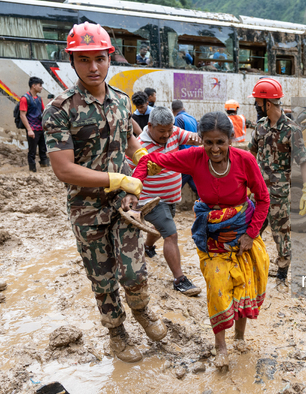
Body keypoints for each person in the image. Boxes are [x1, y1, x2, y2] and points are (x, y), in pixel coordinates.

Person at [42, 22, 167, 363]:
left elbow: (128, 136)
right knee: (102, 277)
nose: (93, 67)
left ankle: (143, 312)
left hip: (125, 203)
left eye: (100, 58)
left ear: (110, 58)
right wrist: (116, 179)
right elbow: (63, 169)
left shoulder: (121, 101)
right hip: (86, 209)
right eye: (84, 60)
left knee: (133, 269)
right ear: (72, 60)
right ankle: (117, 333)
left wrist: (139, 155)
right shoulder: (58, 110)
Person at [133, 111, 270, 370]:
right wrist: (133, 186)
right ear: (201, 141)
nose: (214, 149)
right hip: (212, 237)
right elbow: (152, 160)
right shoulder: (194, 157)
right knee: (218, 288)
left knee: (244, 287)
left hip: (243, 234)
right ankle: (221, 346)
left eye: (220, 142)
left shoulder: (245, 160)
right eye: (208, 142)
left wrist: (251, 235)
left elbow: (263, 198)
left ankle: (239, 336)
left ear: (230, 140)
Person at [128, 106, 201, 296]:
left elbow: (193, 138)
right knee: (171, 234)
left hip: (171, 197)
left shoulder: (174, 132)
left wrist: (207, 139)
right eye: (162, 131)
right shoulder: (139, 146)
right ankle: (179, 280)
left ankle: (148, 246)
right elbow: (131, 175)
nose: (168, 135)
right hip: (151, 200)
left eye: (170, 129)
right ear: (150, 126)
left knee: (161, 230)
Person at [248, 78, 306, 291]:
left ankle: (282, 276)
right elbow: (250, 155)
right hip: (257, 194)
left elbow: (303, 161)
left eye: (258, 102)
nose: (257, 106)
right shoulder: (260, 127)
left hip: (278, 194)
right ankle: (253, 268)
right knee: (251, 230)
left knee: (281, 234)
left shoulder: (291, 130)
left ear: (268, 103)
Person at [20, 76, 49, 172]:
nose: (41, 87)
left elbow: (43, 112)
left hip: (41, 128)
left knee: (43, 150)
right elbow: (22, 115)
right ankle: (32, 171)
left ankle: (44, 169)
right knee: (32, 151)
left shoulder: (39, 99)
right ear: (34, 86)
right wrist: (29, 130)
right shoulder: (25, 98)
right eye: (40, 85)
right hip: (32, 129)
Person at [172, 100, 199, 195]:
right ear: (183, 108)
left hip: (185, 156)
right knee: (193, 181)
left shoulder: (178, 119)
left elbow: (176, 138)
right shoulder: (192, 118)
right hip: (194, 154)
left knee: (178, 182)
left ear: (172, 110)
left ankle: (171, 199)